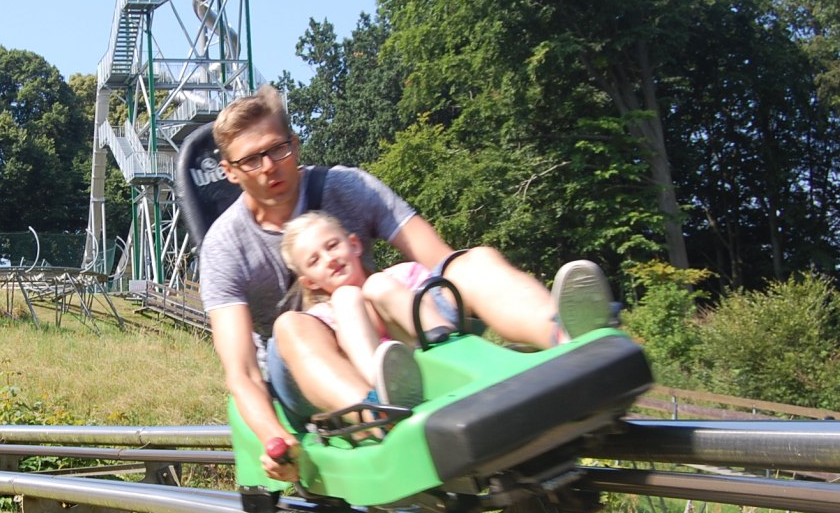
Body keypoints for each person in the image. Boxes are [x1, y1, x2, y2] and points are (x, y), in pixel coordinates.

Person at [198, 85, 613, 483]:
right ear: (230, 172)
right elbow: (243, 372)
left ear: (295, 143)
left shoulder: (345, 186)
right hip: (312, 368)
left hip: (398, 336)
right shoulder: (225, 246)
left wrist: (457, 281)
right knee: (291, 326)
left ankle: (566, 336)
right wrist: (275, 440)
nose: (269, 166)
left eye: (277, 149)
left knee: (473, 260)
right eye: (252, 160)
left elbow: (440, 259)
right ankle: (377, 414)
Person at [278, 210, 445, 412]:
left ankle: (449, 348)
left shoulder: (402, 276)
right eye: (315, 261)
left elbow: (438, 301)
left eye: (333, 246)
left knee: (378, 284)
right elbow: (330, 365)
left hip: (431, 358)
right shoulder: (321, 319)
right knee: (346, 298)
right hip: (387, 385)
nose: (329, 259)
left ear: (354, 245)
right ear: (310, 282)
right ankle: (383, 392)